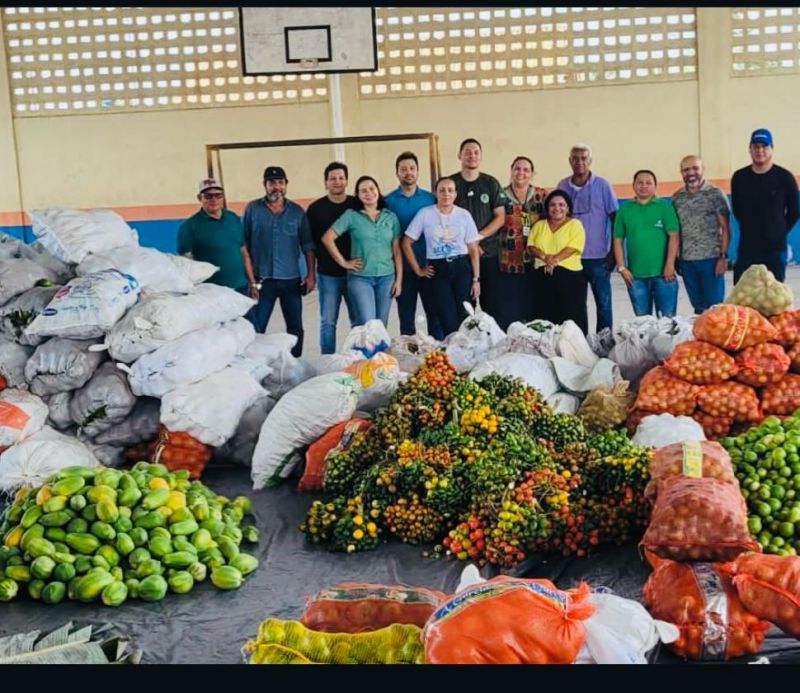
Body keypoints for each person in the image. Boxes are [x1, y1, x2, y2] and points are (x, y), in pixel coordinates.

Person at [242, 165, 315, 357]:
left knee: (295, 326)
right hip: (262, 279)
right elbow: (244, 247)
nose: (277, 187)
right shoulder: (252, 210)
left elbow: (308, 246)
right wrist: (249, 280)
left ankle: (296, 364)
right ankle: (254, 364)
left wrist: (310, 275)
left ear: (286, 185)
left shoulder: (297, 212)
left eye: (280, 182)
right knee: (257, 326)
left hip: (291, 279)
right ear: (265, 185)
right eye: (272, 183)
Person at [402, 177, 482, 338]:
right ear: (435, 193)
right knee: (446, 316)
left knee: (466, 314)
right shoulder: (425, 214)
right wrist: (418, 269)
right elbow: (406, 242)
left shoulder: (463, 215)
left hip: (461, 267)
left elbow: (473, 248)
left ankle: (467, 354)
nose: (446, 194)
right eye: (442, 190)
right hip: (438, 270)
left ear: (455, 194)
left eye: (450, 190)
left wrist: (476, 279)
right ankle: (450, 356)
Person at [322, 176, 402, 327]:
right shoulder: (351, 216)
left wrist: (399, 280)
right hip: (361, 278)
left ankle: (379, 352)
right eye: (363, 191)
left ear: (378, 190)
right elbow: (327, 238)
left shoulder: (390, 217)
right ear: (358, 195)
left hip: (386, 278)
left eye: (372, 188)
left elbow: (397, 251)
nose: (369, 193)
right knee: (369, 324)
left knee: (381, 325)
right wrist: (344, 262)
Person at [557, 144, 619, 332]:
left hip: (599, 258)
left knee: (604, 304)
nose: (579, 162)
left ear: (590, 161)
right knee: (576, 304)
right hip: (571, 258)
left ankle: (604, 341)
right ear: (570, 161)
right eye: (575, 158)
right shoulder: (563, 186)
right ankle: (579, 341)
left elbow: (615, 217)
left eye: (584, 158)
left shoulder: (602, 185)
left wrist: (613, 253)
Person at [385, 152, 443, 340]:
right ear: (397, 173)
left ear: (418, 171)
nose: (408, 173)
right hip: (404, 270)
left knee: (434, 316)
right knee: (406, 320)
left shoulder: (430, 199)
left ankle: (439, 358)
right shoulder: (388, 201)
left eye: (412, 168)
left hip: (430, 267)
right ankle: (409, 358)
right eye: (403, 169)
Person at [731, 128, 799, 283]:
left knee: (773, 299)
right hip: (747, 248)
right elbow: (737, 210)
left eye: (764, 146)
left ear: (772, 149)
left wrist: (778, 230)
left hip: (775, 249)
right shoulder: (739, 178)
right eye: (755, 146)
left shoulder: (785, 177)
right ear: (750, 149)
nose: (760, 150)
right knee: (743, 296)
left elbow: (795, 212)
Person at [449, 138, 505, 320]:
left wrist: (477, 238)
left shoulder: (491, 183)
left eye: (476, 152)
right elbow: (444, 219)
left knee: (493, 305)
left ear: (480, 156)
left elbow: (500, 217)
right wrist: (469, 244)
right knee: (464, 308)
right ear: (459, 155)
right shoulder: (451, 184)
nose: (472, 155)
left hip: (488, 253)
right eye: (467, 151)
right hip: (461, 255)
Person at [306, 161, 358, 354]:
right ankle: (326, 360)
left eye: (341, 178)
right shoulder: (315, 209)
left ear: (346, 181)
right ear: (326, 182)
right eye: (333, 178)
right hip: (328, 275)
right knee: (328, 322)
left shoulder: (356, 204)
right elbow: (309, 245)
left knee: (358, 322)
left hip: (355, 274)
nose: (337, 182)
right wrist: (311, 273)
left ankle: (357, 359)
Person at [613, 170, 680, 318]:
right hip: (636, 277)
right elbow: (617, 240)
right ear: (633, 185)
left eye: (648, 183)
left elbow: (674, 236)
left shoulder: (664, 207)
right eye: (640, 182)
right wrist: (622, 268)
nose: (644, 186)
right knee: (643, 323)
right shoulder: (624, 210)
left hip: (664, 276)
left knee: (667, 322)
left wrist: (670, 264)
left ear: (655, 186)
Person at [493, 155, 547, 330]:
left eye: (526, 169)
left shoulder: (541, 195)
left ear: (532, 174)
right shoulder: (500, 195)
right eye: (517, 168)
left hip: (536, 259)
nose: (521, 173)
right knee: (510, 307)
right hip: (508, 260)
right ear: (511, 170)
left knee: (535, 303)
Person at [177, 178, 256, 296]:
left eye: (218, 195)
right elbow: (185, 263)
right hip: (211, 292)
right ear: (200, 198)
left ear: (223, 197)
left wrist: (252, 283)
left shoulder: (233, 218)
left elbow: (243, 252)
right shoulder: (190, 226)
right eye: (208, 196)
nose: (214, 200)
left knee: (249, 315)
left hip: (241, 287)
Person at [672, 155, 731, 314]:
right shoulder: (677, 198)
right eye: (686, 170)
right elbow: (675, 232)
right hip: (687, 262)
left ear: (702, 170)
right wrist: (675, 259)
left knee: (715, 308)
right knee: (698, 308)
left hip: (711, 260)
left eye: (695, 168)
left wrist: (723, 257)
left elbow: (725, 227)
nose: (691, 173)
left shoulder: (715, 194)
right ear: (681, 173)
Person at [526, 190, 589, 334]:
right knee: (545, 315)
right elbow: (531, 246)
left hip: (570, 277)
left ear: (568, 208)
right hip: (543, 276)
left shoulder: (575, 225)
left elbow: (574, 246)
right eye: (553, 205)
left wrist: (554, 260)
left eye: (561, 205)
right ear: (547, 208)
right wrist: (544, 257)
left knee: (572, 316)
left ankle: (573, 351)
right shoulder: (539, 225)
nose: (557, 208)